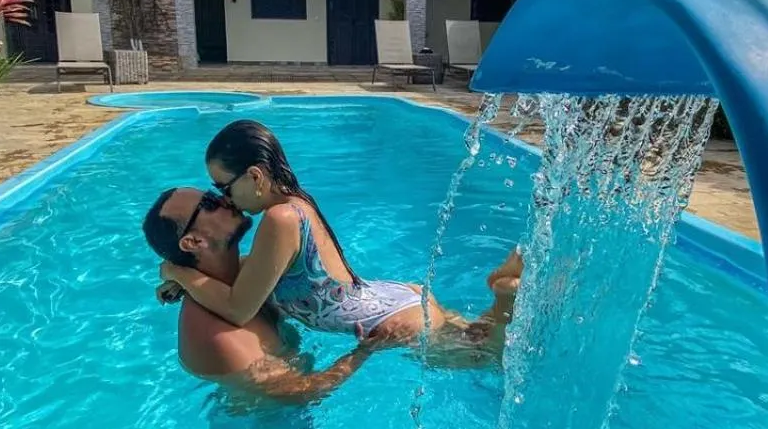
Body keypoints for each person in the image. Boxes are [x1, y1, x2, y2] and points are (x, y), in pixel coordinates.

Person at [153, 119, 522, 357]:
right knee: (479, 335)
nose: (225, 199)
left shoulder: (280, 219)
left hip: (387, 318)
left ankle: (504, 293)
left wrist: (179, 272)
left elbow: (237, 308)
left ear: (254, 176)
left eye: (223, 187)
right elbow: (261, 271)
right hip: (392, 296)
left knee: (487, 357)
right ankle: (501, 294)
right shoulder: (296, 203)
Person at [143, 187, 379, 405]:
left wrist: (181, 275)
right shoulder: (218, 337)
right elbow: (301, 392)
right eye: (210, 203)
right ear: (194, 242)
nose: (225, 198)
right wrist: (364, 351)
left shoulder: (240, 280)